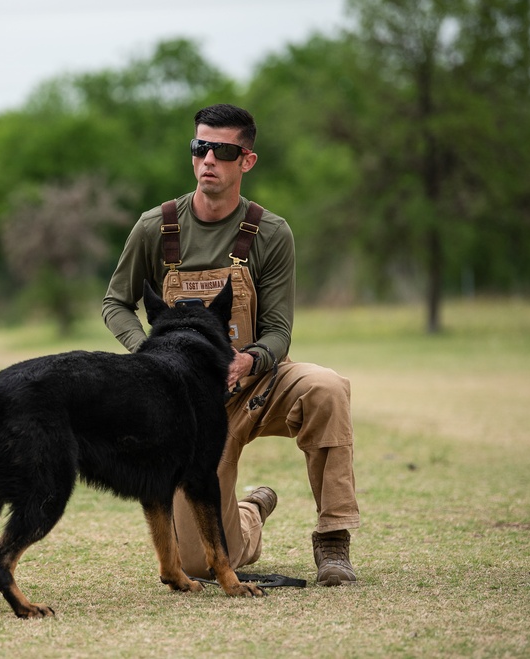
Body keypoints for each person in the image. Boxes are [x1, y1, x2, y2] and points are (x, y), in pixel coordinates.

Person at [102, 103, 360, 586]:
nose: (208, 161)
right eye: (201, 148)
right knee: (199, 564)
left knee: (326, 388)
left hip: (257, 384)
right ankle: (250, 514)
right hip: (186, 406)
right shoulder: (155, 228)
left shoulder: (270, 232)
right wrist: (149, 357)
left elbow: (280, 330)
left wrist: (249, 360)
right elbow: (116, 303)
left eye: (223, 151)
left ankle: (332, 542)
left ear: (246, 160)